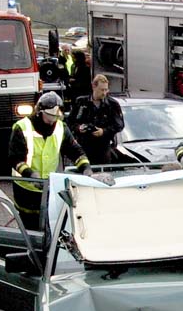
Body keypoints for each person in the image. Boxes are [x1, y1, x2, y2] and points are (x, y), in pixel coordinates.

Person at [9, 92, 93, 231]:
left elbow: (75, 151)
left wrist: (86, 167)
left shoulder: (61, 128)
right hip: (26, 189)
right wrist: (31, 174)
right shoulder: (21, 127)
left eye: (56, 117)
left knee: (50, 225)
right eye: (50, 117)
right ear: (39, 112)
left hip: (48, 187)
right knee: (30, 228)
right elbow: (15, 159)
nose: (52, 121)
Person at [67, 74, 124, 165]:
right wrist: (79, 128)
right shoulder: (81, 102)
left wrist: (104, 131)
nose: (104, 93)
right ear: (94, 86)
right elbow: (69, 122)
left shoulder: (112, 104)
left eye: (106, 90)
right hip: (84, 147)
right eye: (102, 90)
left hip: (103, 149)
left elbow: (119, 125)